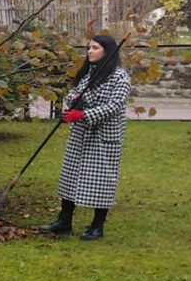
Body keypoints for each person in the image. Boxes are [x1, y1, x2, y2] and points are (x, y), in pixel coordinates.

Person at [39, 34, 131, 241]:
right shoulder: (87, 74)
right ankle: (64, 221)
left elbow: (113, 105)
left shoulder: (120, 77)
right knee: (70, 176)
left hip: (103, 136)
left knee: (102, 180)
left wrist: (84, 113)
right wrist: (74, 103)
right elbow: (73, 95)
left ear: (107, 51)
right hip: (81, 134)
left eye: (95, 48)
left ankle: (97, 225)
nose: (90, 51)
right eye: (89, 48)